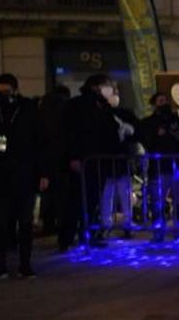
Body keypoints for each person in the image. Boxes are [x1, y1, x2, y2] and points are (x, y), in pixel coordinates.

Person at [0, 74, 49, 279]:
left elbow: (40, 142)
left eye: (6, 92)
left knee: (24, 222)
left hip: (24, 174)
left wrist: (43, 172)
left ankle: (25, 264)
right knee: (0, 222)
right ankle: (0, 265)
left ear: (15, 89)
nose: (3, 96)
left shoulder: (27, 110)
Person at [61, 74, 120, 249]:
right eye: (107, 86)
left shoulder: (102, 105)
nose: (110, 89)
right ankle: (67, 237)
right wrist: (73, 156)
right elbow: (69, 133)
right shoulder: (77, 105)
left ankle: (87, 234)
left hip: (99, 161)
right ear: (96, 86)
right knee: (76, 200)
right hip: (83, 160)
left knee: (93, 200)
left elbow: (110, 131)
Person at [139, 91, 179, 241]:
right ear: (154, 104)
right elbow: (147, 143)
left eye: (166, 100)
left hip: (177, 165)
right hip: (158, 167)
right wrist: (157, 135)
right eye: (161, 101)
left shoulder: (178, 120)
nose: (164, 104)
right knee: (157, 201)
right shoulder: (148, 123)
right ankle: (158, 231)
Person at [98, 85, 139, 238]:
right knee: (108, 193)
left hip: (121, 159)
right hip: (110, 159)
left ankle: (126, 223)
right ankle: (106, 223)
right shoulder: (103, 115)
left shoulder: (123, 114)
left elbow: (135, 132)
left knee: (124, 192)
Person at [37, 85, 70, 235]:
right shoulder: (65, 111)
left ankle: (48, 223)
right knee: (62, 194)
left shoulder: (42, 111)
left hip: (45, 158)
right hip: (62, 159)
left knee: (47, 193)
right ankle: (61, 225)